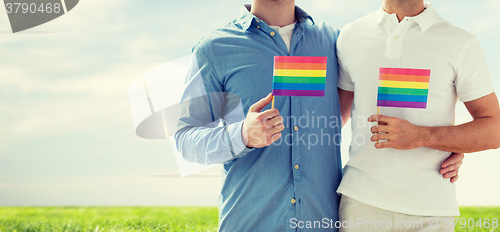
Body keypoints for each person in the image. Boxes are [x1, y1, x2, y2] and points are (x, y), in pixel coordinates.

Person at [175, 0, 462, 231]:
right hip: (251, 221)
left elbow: (380, 100)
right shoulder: (215, 49)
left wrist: (442, 143)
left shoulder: (333, 42)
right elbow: (185, 140)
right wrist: (241, 135)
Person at [336, 0, 500, 231]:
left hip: (432, 212)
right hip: (361, 205)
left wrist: (424, 136)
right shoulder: (350, 35)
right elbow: (332, 121)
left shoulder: (461, 42)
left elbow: (494, 130)